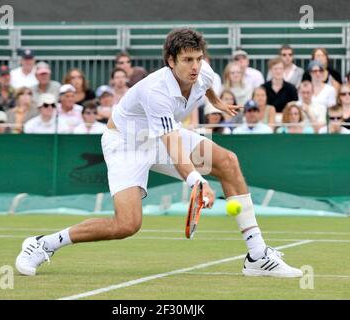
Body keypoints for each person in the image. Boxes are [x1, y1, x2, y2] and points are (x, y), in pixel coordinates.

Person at [15, 28, 302, 278]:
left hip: (162, 137)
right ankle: (44, 243)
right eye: (187, 60)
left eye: (198, 58)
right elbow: (171, 144)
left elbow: (207, 86)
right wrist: (196, 181)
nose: (195, 66)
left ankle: (257, 256)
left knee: (228, 162)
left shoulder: (203, 73)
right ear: (171, 61)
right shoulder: (156, 91)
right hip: (127, 144)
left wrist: (216, 103)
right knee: (126, 225)